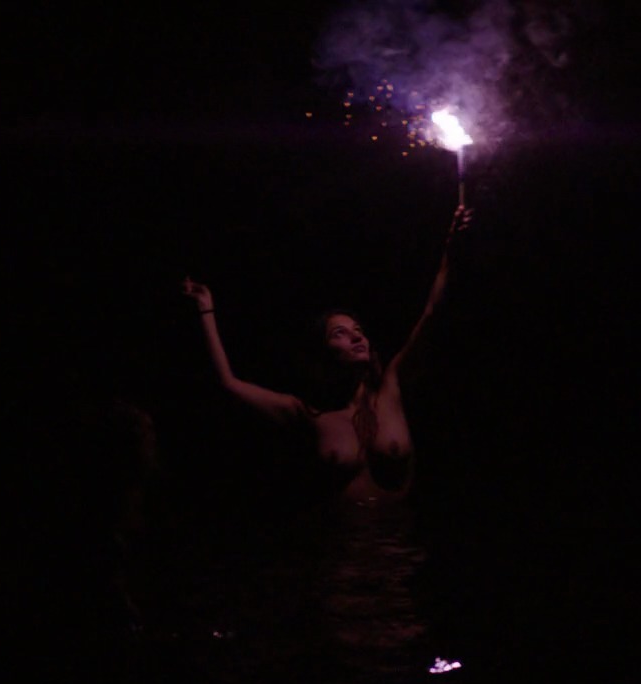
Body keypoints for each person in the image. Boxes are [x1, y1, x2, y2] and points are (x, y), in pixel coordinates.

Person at [180, 203, 470, 511]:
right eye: (339, 333)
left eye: (358, 330)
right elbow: (228, 383)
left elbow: (432, 312)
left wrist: (451, 251)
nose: (356, 337)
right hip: (341, 540)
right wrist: (205, 309)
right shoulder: (307, 414)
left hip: (400, 538)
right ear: (323, 353)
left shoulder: (391, 390)